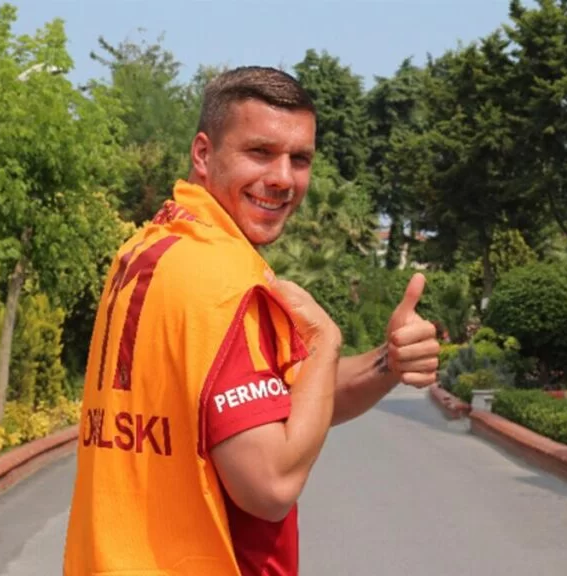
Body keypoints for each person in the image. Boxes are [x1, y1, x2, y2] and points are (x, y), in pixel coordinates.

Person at [62, 65, 440, 575]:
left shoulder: (148, 248)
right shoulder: (226, 281)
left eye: (299, 159)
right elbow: (270, 485)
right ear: (203, 154)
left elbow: (283, 404)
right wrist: (325, 341)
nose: (283, 178)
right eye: (260, 152)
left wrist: (387, 362)